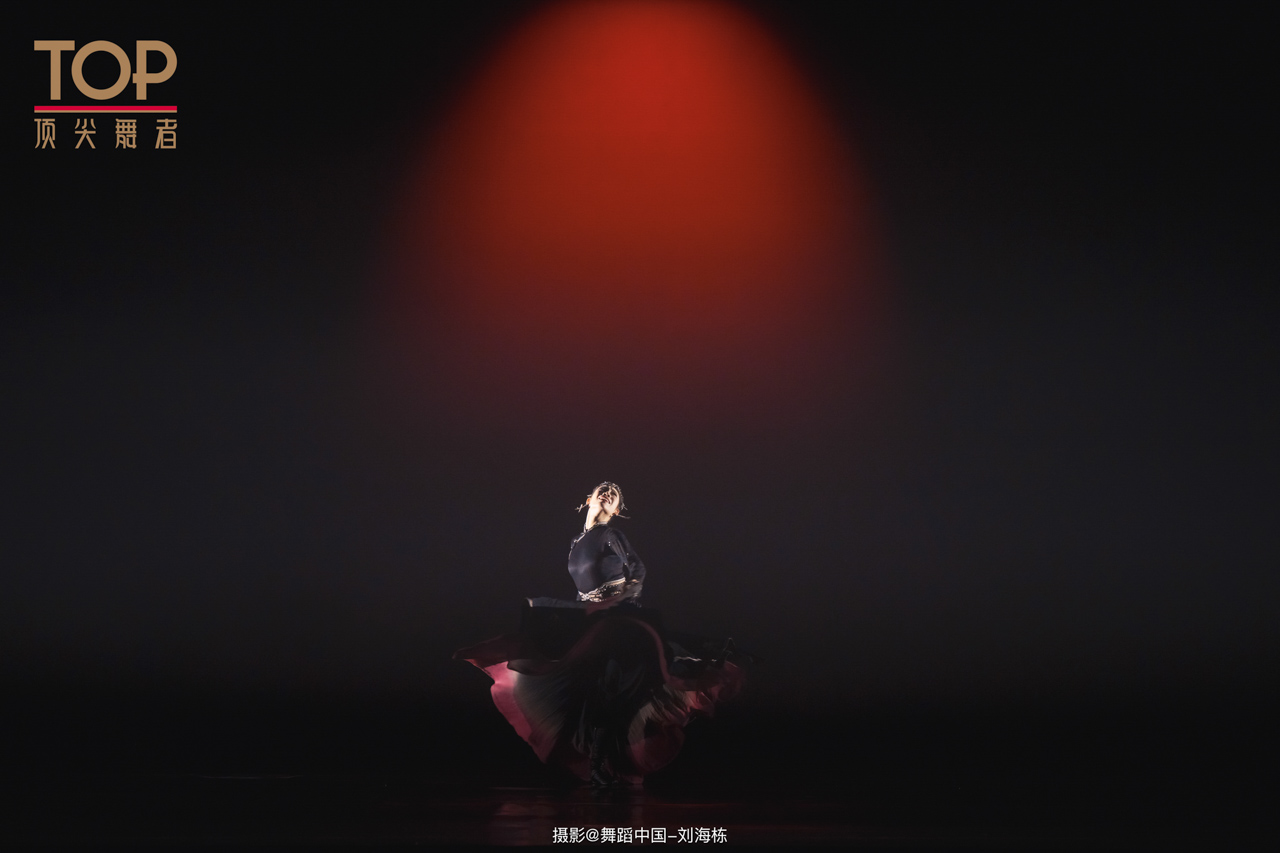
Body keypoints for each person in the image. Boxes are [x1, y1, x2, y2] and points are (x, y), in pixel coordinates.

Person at [454, 482, 746, 788]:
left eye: (614, 494)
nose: (608, 491)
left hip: (618, 620)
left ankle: (601, 765)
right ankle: (601, 765)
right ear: (588, 499)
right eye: (602, 489)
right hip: (593, 617)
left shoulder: (611, 534)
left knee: (613, 688)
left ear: (616, 509)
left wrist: (622, 597)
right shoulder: (576, 541)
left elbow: (638, 570)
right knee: (591, 690)